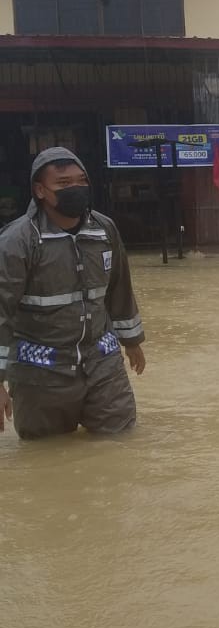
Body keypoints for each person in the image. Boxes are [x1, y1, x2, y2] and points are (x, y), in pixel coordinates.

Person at [0, 147, 146, 440]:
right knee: (47, 454)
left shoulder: (104, 230)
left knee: (120, 443)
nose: (76, 189)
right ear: (40, 190)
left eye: (81, 181)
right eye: (64, 183)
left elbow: (119, 288)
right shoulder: (18, 242)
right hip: (41, 376)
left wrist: (131, 341)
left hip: (103, 366)